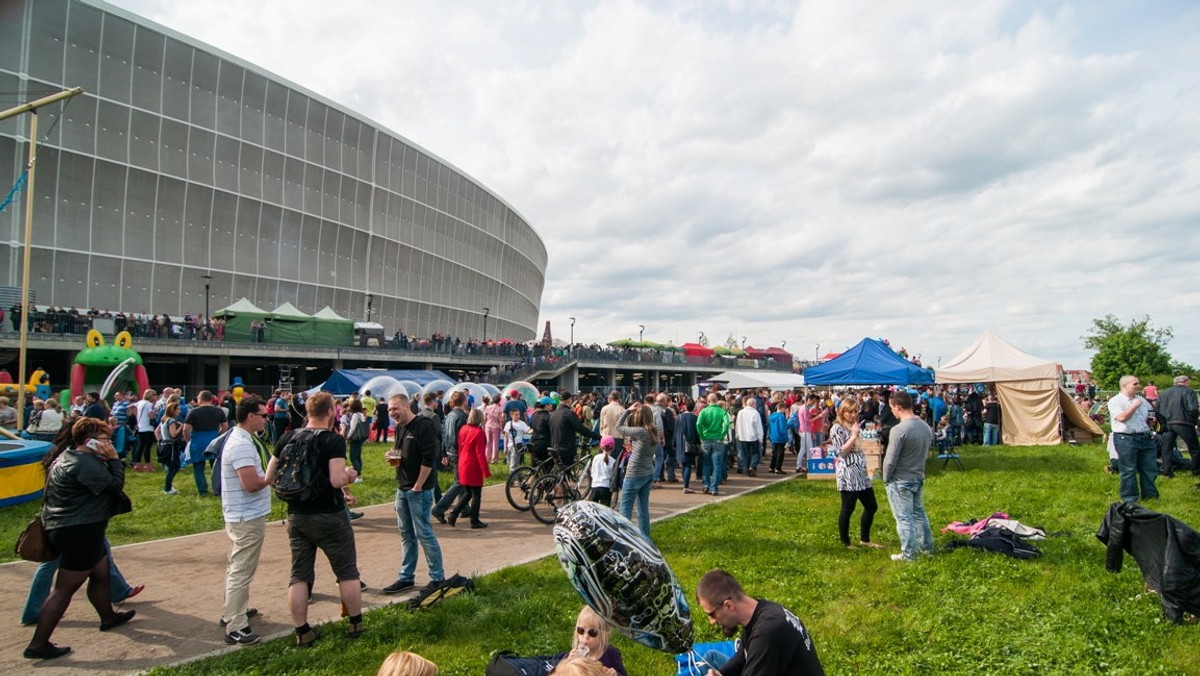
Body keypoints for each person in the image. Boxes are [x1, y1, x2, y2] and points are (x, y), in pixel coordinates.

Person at [25, 418, 136, 660]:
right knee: (64, 589)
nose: (109, 443)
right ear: (91, 441)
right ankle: (38, 644)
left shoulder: (68, 456)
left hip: (75, 527)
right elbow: (113, 486)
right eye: (105, 439)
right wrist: (115, 460)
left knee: (100, 574)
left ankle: (108, 617)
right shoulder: (83, 463)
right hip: (79, 530)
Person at [268, 391, 363, 647]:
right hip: (329, 513)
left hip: (297, 514)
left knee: (299, 575)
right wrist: (350, 475)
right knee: (346, 571)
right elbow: (335, 479)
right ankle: (355, 623)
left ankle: (302, 630)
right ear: (331, 411)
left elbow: (270, 475)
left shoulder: (288, 436)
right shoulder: (332, 440)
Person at [219, 395, 275, 646]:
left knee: (238, 566)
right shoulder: (241, 444)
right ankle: (236, 625)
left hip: (243, 512)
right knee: (241, 569)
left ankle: (234, 609)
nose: (267, 418)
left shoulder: (243, 439)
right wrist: (272, 474)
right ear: (250, 416)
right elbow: (251, 484)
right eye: (263, 415)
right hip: (246, 514)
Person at [694, 569, 824, 675]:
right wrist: (721, 673)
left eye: (712, 614)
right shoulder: (758, 610)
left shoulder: (767, 633)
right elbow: (743, 656)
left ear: (728, 605)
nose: (711, 621)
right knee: (711, 658)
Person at [382, 393, 446, 594]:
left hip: (419, 490)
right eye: (390, 410)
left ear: (406, 406)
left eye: (395, 409)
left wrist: (418, 485)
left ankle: (437, 578)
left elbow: (429, 458)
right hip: (402, 487)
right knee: (406, 534)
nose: (392, 413)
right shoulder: (400, 427)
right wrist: (392, 457)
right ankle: (406, 577)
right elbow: (400, 455)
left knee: (424, 533)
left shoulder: (423, 425)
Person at [883, 391, 935, 562]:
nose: (891, 411)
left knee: (904, 519)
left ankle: (909, 554)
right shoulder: (925, 427)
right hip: (917, 475)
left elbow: (890, 459)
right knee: (919, 514)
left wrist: (886, 477)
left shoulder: (899, 430)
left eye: (892, 408)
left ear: (898, 407)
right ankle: (926, 548)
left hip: (900, 480)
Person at [830, 399, 881, 549]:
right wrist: (853, 436)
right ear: (842, 412)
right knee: (848, 508)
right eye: (850, 412)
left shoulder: (854, 426)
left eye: (855, 411)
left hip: (861, 473)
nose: (853, 415)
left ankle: (865, 539)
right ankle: (845, 542)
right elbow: (841, 452)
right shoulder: (837, 429)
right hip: (848, 473)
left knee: (872, 506)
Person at [1109, 375, 1159, 503]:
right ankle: (1129, 499)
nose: (1138, 386)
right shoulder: (1116, 401)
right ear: (1124, 385)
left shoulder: (1141, 400)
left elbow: (1148, 416)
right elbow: (1121, 418)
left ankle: (1150, 497)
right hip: (1126, 438)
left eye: (1138, 383)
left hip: (1144, 436)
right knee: (1128, 470)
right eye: (1135, 384)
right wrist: (1134, 406)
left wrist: (1151, 422)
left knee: (1149, 468)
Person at [616, 404, 658, 536]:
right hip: (648, 471)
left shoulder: (640, 432)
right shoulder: (652, 431)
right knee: (643, 509)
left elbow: (618, 426)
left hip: (634, 473)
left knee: (625, 508)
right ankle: (645, 538)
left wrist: (628, 410)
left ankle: (625, 538)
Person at [446, 408, 490, 528]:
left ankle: (454, 514)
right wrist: (486, 470)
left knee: (467, 493)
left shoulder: (463, 429)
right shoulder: (479, 432)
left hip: (463, 462)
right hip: (473, 465)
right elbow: (480, 453)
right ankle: (474, 520)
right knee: (476, 495)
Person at [431, 391, 469, 523]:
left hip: (451, 451)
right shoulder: (463, 417)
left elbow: (444, 435)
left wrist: (444, 452)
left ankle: (464, 508)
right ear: (464, 401)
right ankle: (439, 508)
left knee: (460, 479)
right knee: (461, 482)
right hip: (459, 453)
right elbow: (464, 438)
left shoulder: (449, 416)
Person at [559, 605, 626, 675]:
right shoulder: (576, 654)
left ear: (605, 635)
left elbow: (623, 674)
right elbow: (560, 672)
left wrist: (615, 674)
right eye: (581, 630)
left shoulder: (611, 653)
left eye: (592, 633)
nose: (585, 636)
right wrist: (569, 661)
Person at [1155, 375, 1200, 478]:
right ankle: (1196, 471)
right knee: (1194, 449)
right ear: (1185, 382)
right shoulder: (1189, 392)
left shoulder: (1164, 393)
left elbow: (1156, 409)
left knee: (1166, 449)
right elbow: (1193, 409)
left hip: (1167, 424)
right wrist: (1194, 421)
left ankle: (1167, 472)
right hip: (1184, 423)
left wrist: (1162, 423)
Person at [551, 392, 601, 468]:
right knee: (566, 472)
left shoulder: (553, 414)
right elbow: (581, 429)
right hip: (566, 448)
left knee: (559, 472)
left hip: (554, 447)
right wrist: (597, 436)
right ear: (569, 400)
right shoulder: (569, 414)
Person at [696, 394, 730, 496]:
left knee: (706, 464)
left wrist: (702, 435)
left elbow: (698, 424)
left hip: (706, 439)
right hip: (718, 440)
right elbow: (727, 424)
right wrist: (722, 435)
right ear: (716, 400)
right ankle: (714, 488)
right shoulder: (722, 411)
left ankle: (706, 485)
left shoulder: (704, 411)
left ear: (707, 400)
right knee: (717, 465)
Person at [157, 401, 185, 494]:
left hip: (164, 444)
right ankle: (167, 488)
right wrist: (181, 426)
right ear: (173, 410)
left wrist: (159, 441)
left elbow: (157, 432)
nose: (179, 411)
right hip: (171, 446)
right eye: (178, 409)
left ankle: (168, 487)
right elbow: (173, 434)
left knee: (170, 467)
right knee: (174, 467)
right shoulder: (171, 421)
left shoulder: (163, 419)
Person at [674, 401, 701, 493]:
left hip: (679, 443)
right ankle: (686, 486)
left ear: (685, 407)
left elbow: (675, 431)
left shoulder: (678, 417)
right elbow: (695, 431)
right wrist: (698, 442)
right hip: (689, 443)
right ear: (694, 408)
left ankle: (685, 484)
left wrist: (674, 443)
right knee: (688, 465)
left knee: (683, 464)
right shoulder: (694, 418)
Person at [734, 397, 764, 478]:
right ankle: (752, 466)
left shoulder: (741, 412)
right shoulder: (755, 413)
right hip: (752, 436)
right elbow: (758, 426)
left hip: (742, 436)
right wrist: (760, 437)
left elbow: (737, 424)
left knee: (745, 454)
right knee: (755, 453)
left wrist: (737, 434)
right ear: (753, 404)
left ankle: (746, 470)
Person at [133, 388, 158, 472]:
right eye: (154, 395)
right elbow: (151, 415)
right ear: (151, 396)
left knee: (140, 446)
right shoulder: (149, 404)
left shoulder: (140, 402)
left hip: (140, 427)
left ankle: (137, 464)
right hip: (148, 427)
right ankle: (148, 465)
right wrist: (155, 413)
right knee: (147, 447)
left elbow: (131, 408)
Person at [588, 436, 618, 506]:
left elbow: (592, 474)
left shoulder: (596, 458)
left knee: (591, 509)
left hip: (595, 486)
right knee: (604, 511)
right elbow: (613, 477)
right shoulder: (614, 461)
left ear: (601, 446)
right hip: (606, 488)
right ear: (613, 447)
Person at [343, 398, 367, 479]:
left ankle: (358, 475)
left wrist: (347, 437)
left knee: (353, 457)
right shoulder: (361, 414)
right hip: (361, 437)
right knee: (358, 456)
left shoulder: (355, 415)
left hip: (355, 438)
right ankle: (359, 472)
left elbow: (352, 428)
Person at [484, 395, 504, 464]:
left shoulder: (487, 407)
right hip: (496, 426)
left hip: (488, 425)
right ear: (499, 401)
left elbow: (484, 418)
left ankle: (487, 458)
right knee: (495, 443)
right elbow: (501, 420)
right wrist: (502, 427)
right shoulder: (500, 409)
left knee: (488, 442)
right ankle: (494, 459)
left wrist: (484, 425)